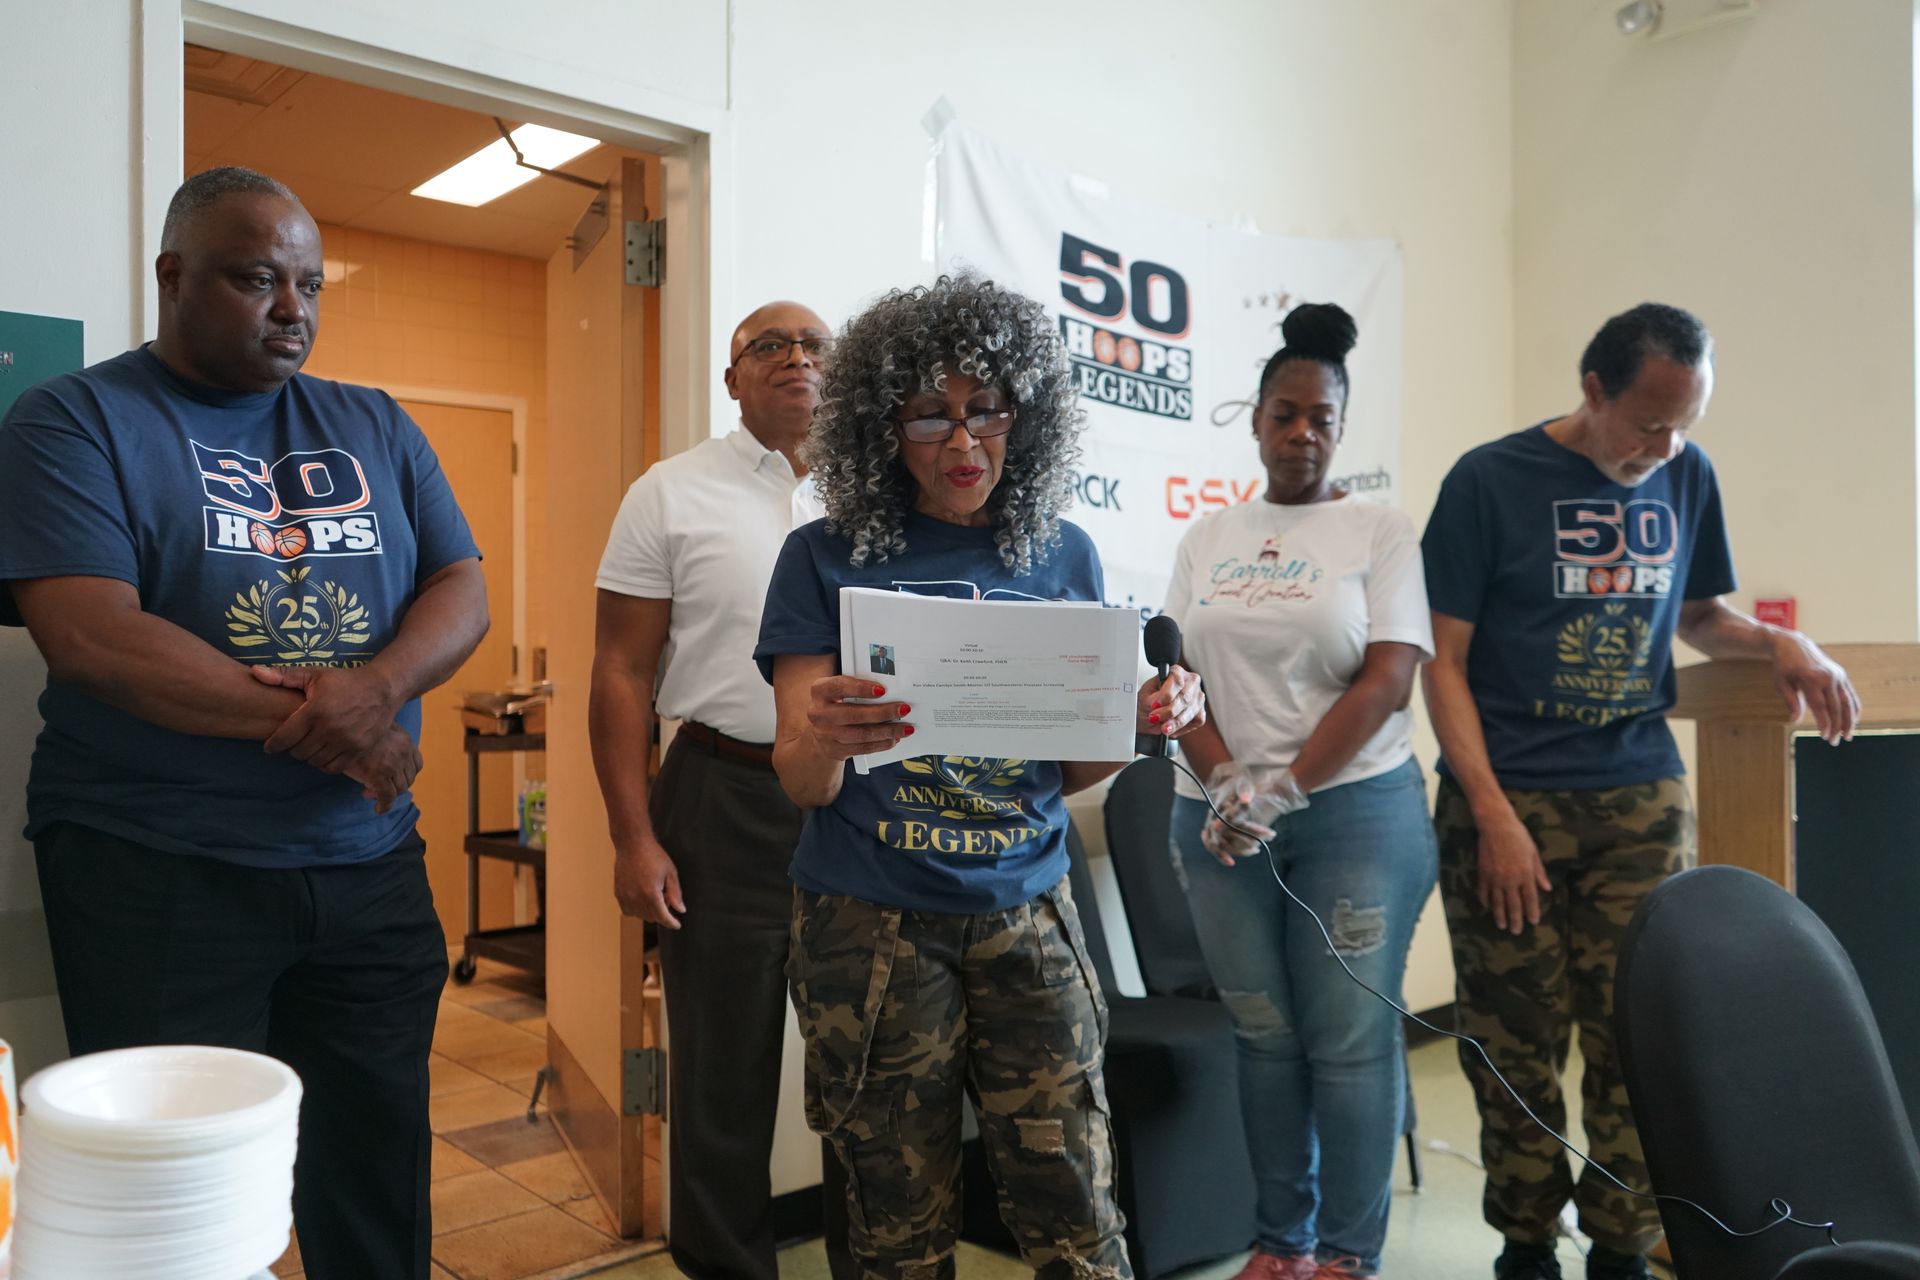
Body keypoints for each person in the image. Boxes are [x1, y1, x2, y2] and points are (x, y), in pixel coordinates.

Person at [0, 166, 488, 1280]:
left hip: (366, 870)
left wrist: (373, 692)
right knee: (180, 1209)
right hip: (158, 869)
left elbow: (461, 584)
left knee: (376, 1178)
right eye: (258, 279)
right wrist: (351, 723)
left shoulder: (374, 422)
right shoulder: (72, 419)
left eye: (310, 284)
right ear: (172, 275)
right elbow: (94, 638)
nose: (292, 309)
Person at [754, 274, 1204, 1279]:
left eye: (986, 409)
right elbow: (803, 781)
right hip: (872, 924)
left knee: (1078, 1210)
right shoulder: (822, 555)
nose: (963, 441)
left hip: (1029, 910)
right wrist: (825, 734)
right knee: (894, 1226)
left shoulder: (1063, 553)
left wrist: (1141, 721)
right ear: (882, 425)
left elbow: (1072, 767)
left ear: (1023, 417)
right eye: (930, 414)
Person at [1420, 303, 1859, 1280]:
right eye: (1648, 426)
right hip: (1509, 800)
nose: (1663, 451)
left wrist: (1782, 640)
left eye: (1683, 429)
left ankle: (1621, 1245)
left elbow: (1699, 615)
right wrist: (1491, 811)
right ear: (1594, 389)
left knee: (1640, 1037)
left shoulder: (1686, 475)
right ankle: (1526, 1245)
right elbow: (1441, 661)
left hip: (1638, 800)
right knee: (1514, 1040)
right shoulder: (1489, 480)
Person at [1161, 303, 1436, 1280]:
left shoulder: (1379, 531)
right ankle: (1282, 1246)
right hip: (1219, 819)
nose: (1303, 432)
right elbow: (1175, 677)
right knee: (1265, 1034)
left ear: (1341, 428)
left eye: (1322, 418)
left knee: (1348, 1041)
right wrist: (1226, 780)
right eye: (1285, 414)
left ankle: (1347, 1256)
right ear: (1256, 420)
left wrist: (1282, 788)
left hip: (1355, 812)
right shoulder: (1209, 536)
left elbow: (1388, 678)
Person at [589, 299, 834, 1280]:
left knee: (872, 1064)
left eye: (813, 344)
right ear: (732, 380)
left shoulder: (880, 493)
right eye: (767, 346)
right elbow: (619, 670)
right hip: (720, 797)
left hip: (858, 804)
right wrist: (632, 835)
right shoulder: (670, 491)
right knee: (719, 1076)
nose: (794, 357)